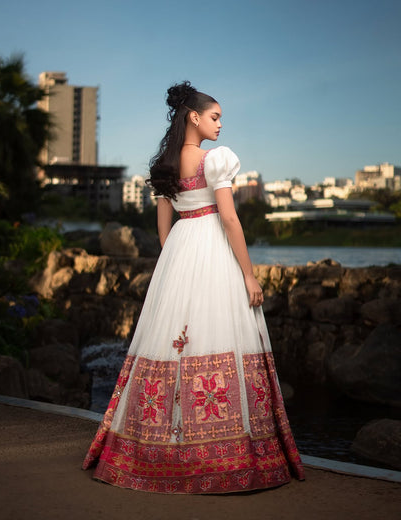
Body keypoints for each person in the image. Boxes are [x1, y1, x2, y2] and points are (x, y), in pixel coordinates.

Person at [82, 81, 305, 493]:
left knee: (168, 343)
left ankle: (154, 448)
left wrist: (178, 264)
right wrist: (249, 274)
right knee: (220, 331)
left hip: (180, 253)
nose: (220, 125)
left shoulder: (165, 166)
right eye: (215, 117)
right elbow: (230, 220)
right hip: (213, 249)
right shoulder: (215, 160)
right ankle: (226, 454)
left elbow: (163, 232)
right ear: (194, 117)